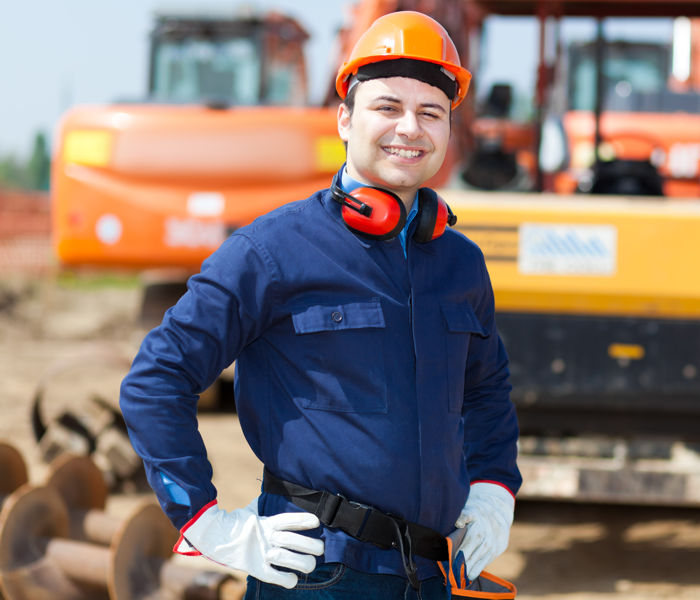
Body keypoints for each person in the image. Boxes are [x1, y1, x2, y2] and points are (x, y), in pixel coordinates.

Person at [119, 10, 521, 600]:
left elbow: (487, 391)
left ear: (448, 131)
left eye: (430, 112)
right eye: (387, 107)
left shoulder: (460, 263)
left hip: (434, 576)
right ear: (344, 119)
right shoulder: (272, 250)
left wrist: (493, 488)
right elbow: (156, 378)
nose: (409, 127)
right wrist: (204, 521)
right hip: (317, 577)